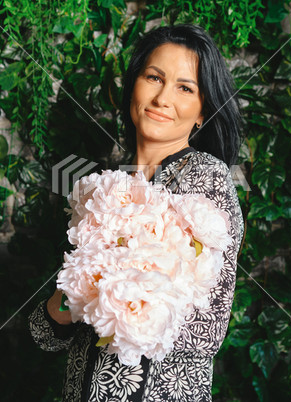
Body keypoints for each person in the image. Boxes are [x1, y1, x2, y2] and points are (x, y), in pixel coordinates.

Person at [29, 24, 244, 401]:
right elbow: (46, 331)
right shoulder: (102, 187)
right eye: (153, 77)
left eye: (185, 87)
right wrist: (77, 296)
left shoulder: (205, 177)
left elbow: (207, 330)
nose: (162, 98)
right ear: (134, 87)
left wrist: (98, 294)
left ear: (201, 112)